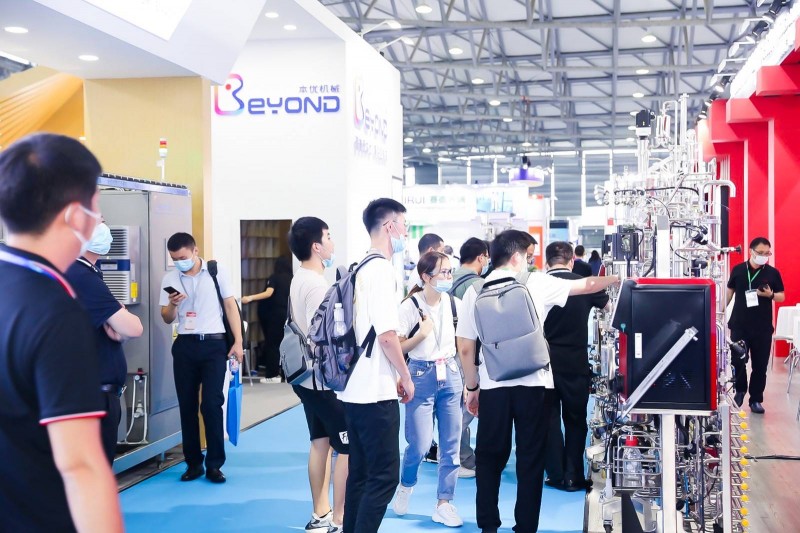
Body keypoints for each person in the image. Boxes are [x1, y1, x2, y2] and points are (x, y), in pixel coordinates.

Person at [456, 229, 619, 533]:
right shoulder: (536, 283)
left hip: (493, 384)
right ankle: (526, 526)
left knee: (489, 456)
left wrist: (472, 386)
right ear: (517, 256)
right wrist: (616, 278)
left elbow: (465, 346)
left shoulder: (474, 291)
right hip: (534, 384)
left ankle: (488, 524)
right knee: (531, 458)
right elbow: (586, 285)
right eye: (528, 256)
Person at [0, 133, 123, 532]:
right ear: (74, 216)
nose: (98, 219)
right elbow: (80, 464)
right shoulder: (54, 309)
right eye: (96, 207)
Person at [340, 198, 415, 533]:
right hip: (375, 391)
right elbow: (386, 336)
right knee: (384, 477)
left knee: (361, 473)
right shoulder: (382, 270)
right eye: (404, 225)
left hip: (352, 387)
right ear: (390, 226)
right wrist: (405, 375)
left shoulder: (359, 268)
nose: (405, 233)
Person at [160, 232, 244, 484]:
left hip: (214, 345)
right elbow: (166, 317)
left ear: (195, 251)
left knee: (211, 404)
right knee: (186, 405)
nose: (179, 262)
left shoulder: (216, 272)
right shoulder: (170, 278)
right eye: (174, 259)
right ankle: (193, 463)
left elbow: (230, 306)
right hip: (184, 345)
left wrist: (238, 342)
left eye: (183, 257)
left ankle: (215, 464)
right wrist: (173, 305)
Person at [287, 217, 349, 533]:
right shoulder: (316, 285)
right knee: (348, 447)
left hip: (305, 378)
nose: (331, 242)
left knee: (320, 442)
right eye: (328, 236)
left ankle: (320, 514)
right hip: (322, 379)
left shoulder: (300, 277)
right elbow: (322, 335)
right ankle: (339, 518)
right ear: (316, 246)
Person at [393, 251, 464, 527]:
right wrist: (421, 334)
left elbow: (464, 344)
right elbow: (397, 346)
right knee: (420, 444)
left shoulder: (455, 304)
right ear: (426, 276)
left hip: (451, 373)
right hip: (420, 373)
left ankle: (444, 502)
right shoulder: (410, 306)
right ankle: (406, 484)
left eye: (450, 271)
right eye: (443, 272)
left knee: (451, 445)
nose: (448, 276)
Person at [65, 219, 144, 464]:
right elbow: (134, 327)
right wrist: (122, 324)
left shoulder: (85, 273)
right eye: (97, 222)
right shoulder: (81, 276)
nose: (104, 226)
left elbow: (120, 328)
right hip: (92, 398)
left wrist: (120, 327)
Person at [541, 242, 609, 493]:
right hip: (575, 360)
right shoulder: (584, 285)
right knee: (576, 419)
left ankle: (555, 473)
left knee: (548, 419)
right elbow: (611, 310)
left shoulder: (536, 285)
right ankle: (573, 476)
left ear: (547, 261)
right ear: (571, 261)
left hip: (543, 362)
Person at [727, 237, 785, 414]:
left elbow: (781, 296)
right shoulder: (738, 270)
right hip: (739, 325)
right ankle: (740, 391)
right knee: (737, 360)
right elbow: (729, 293)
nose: (764, 256)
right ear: (751, 251)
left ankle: (756, 399)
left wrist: (770, 295)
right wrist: (717, 312)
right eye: (760, 253)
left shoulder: (773, 273)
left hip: (762, 327)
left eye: (767, 253)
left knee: (760, 365)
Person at [449, 236, 491, 479]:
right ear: (481, 257)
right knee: (466, 409)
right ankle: (456, 456)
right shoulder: (477, 286)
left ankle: (460, 456)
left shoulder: (447, 278)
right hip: (468, 354)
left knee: (453, 407)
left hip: (446, 353)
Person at [242, 255, 293, 382]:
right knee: (286, 344)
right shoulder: (292, 279)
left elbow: (269, 293)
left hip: (275, 315)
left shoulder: (274, 277)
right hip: (287, 315)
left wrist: (250, 298)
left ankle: (272, 375)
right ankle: (287, 374)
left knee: (272, 344)